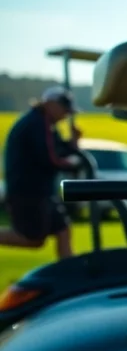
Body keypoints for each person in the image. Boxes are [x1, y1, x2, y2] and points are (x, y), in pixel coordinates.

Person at [0, 87, 83, 260]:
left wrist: (73, 142)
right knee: (33, 239)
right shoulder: (37, 124)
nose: (66, 114)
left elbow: (59, 149)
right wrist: (71, 165)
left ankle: (70, 272)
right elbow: (50, 158)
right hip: (29, 193)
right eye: (64, 109)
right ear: (50, 104)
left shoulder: (47, 125)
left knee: (63, 230)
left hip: (42, 191)